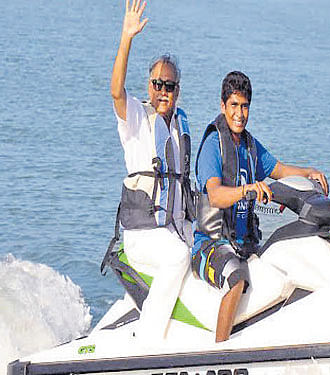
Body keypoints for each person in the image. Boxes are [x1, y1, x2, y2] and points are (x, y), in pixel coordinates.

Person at [192, 71, 329, 342]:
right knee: (237, 277)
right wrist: (248, 189)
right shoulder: (213, 145)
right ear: (223, 106)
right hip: (210, 244)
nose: (239, 113)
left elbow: (279, 169)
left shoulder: (250, 146)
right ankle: (218, 356)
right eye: (234, 105)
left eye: (244, 106)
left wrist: (309, 172)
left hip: (245, 243)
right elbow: (216, 196)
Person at [110, 0, 194, 341]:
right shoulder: (135, 119)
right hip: (143, 235)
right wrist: (126, 37)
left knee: (207, 248)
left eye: (169, 86)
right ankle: (150, 341)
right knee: (178, 256)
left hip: (174, 227)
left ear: (177, 91)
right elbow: (116, 90)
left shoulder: (179, 125)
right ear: (149, 86)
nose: (163, 91)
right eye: (157, 84)